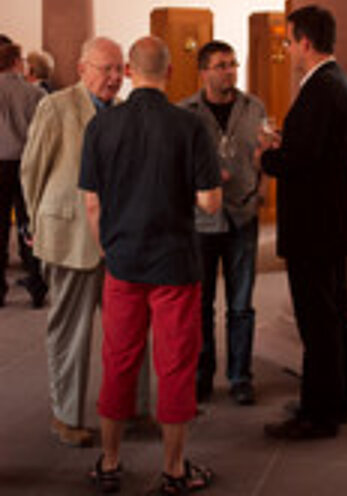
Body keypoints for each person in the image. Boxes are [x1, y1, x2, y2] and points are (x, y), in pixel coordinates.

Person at [79, 36, 222, 495]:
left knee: (118, 361)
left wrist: (108, 249)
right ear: (170, 72)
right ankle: (175, 470)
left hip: (123, 262)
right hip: (175, 265)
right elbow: (210, 202)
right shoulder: (190, 125)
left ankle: (109, 462)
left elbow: (92, 204)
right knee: (176, 366)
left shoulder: (101, 126)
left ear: (129, 71)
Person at [257, 5, 347, 440]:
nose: (287, 50)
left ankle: (316, 414)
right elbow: (321, 150)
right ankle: (335, 402)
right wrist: (288, 143)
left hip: (313, 227)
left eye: (288, 42)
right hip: (332, 221)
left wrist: (267, 156)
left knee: (316, 321)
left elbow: (302, 161)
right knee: (333, 315)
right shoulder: (346, 86)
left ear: (305, 42)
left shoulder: (320, 89)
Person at [20, 36, 124, 447]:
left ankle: (130, 410)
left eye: (119, 68)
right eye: (105, 68)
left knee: (126, 331)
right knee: (70, 333)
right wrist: (37, 222)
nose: (114, 77)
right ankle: (66, 417)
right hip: (69, 235)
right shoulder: (56, 107)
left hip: (117, 239)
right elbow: (32, 170)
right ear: (83, 69)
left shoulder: (123, 113)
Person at [180, 40, 267, 405]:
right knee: (201, 305)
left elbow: (262, 156)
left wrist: (260, 188)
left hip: (243, 216)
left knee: (241, 305)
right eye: (221, 65)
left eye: (233, 64)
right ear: (204, 72)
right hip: (201, 221)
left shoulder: (254, 107)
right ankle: (202, 376)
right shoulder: (184, 113)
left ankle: (240, 377)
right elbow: (176, 166)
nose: (230, 71)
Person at [0, 39, 46, 307]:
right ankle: (37, 284)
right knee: (29, 225)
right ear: (17, 62)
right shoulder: (35, 94)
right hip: (25, 163)